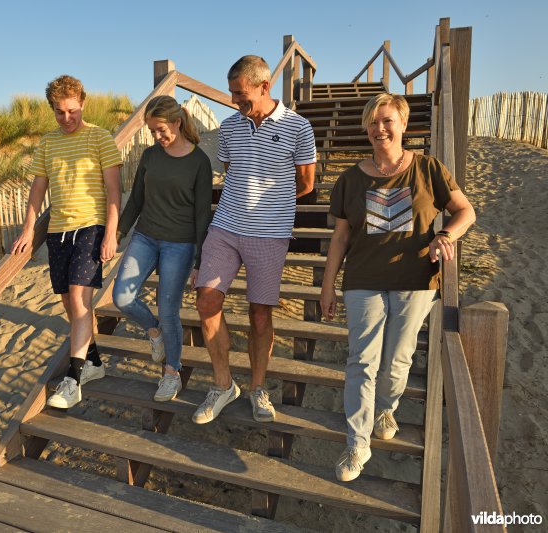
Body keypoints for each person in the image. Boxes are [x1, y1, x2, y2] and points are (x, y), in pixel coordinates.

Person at [320, 93, 476, 482]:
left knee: (398, 359)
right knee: (361, 360)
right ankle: (357, 443)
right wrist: (327, 286)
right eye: (373, 122)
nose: (380, 128)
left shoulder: (428, 169)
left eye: (387, 120)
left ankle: (386, 408)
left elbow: (465, 211)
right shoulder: (350, 179)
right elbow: (340, 237)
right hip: (363, 280)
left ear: (404, 124)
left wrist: (446, 235)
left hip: (415, 280)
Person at [193, 55, 316, 424]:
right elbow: (232, 170)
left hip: (270, 233)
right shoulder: (229, 127)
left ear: (265, 87)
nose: (234, 100)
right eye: (231, 93)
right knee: (206, 300)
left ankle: (257, 387)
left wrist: (272, 203)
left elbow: (306, 183)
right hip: (225, 227)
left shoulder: (299, 127)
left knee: (260, 315)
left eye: (240, 93)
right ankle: (223, 384)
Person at [12, 75, 122, 409]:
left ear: (82, 103)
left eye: (72, 110)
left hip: (91, 227)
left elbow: (114, 191)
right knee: (68, 304)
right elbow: (38, 189)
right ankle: (94, 362)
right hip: (58, 232)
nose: (67, 117)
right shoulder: (48, 143)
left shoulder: (100, 138)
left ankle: (73, 380)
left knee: (78, 299)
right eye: (59, 112)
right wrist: (28, 229)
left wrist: (111, 233)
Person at [113, 95, 213, 402]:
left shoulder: (199, 162)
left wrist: (200, 261)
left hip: (180, 244)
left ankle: (172, 372)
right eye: (152, 131)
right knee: (122, 297)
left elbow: (202, 216)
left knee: (169, 310)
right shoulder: (150, 156)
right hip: (145, 237)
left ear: (177, 123)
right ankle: (154, 331)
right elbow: (136, 200)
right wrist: (117, 233)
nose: (157, 136)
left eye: (161, 130)